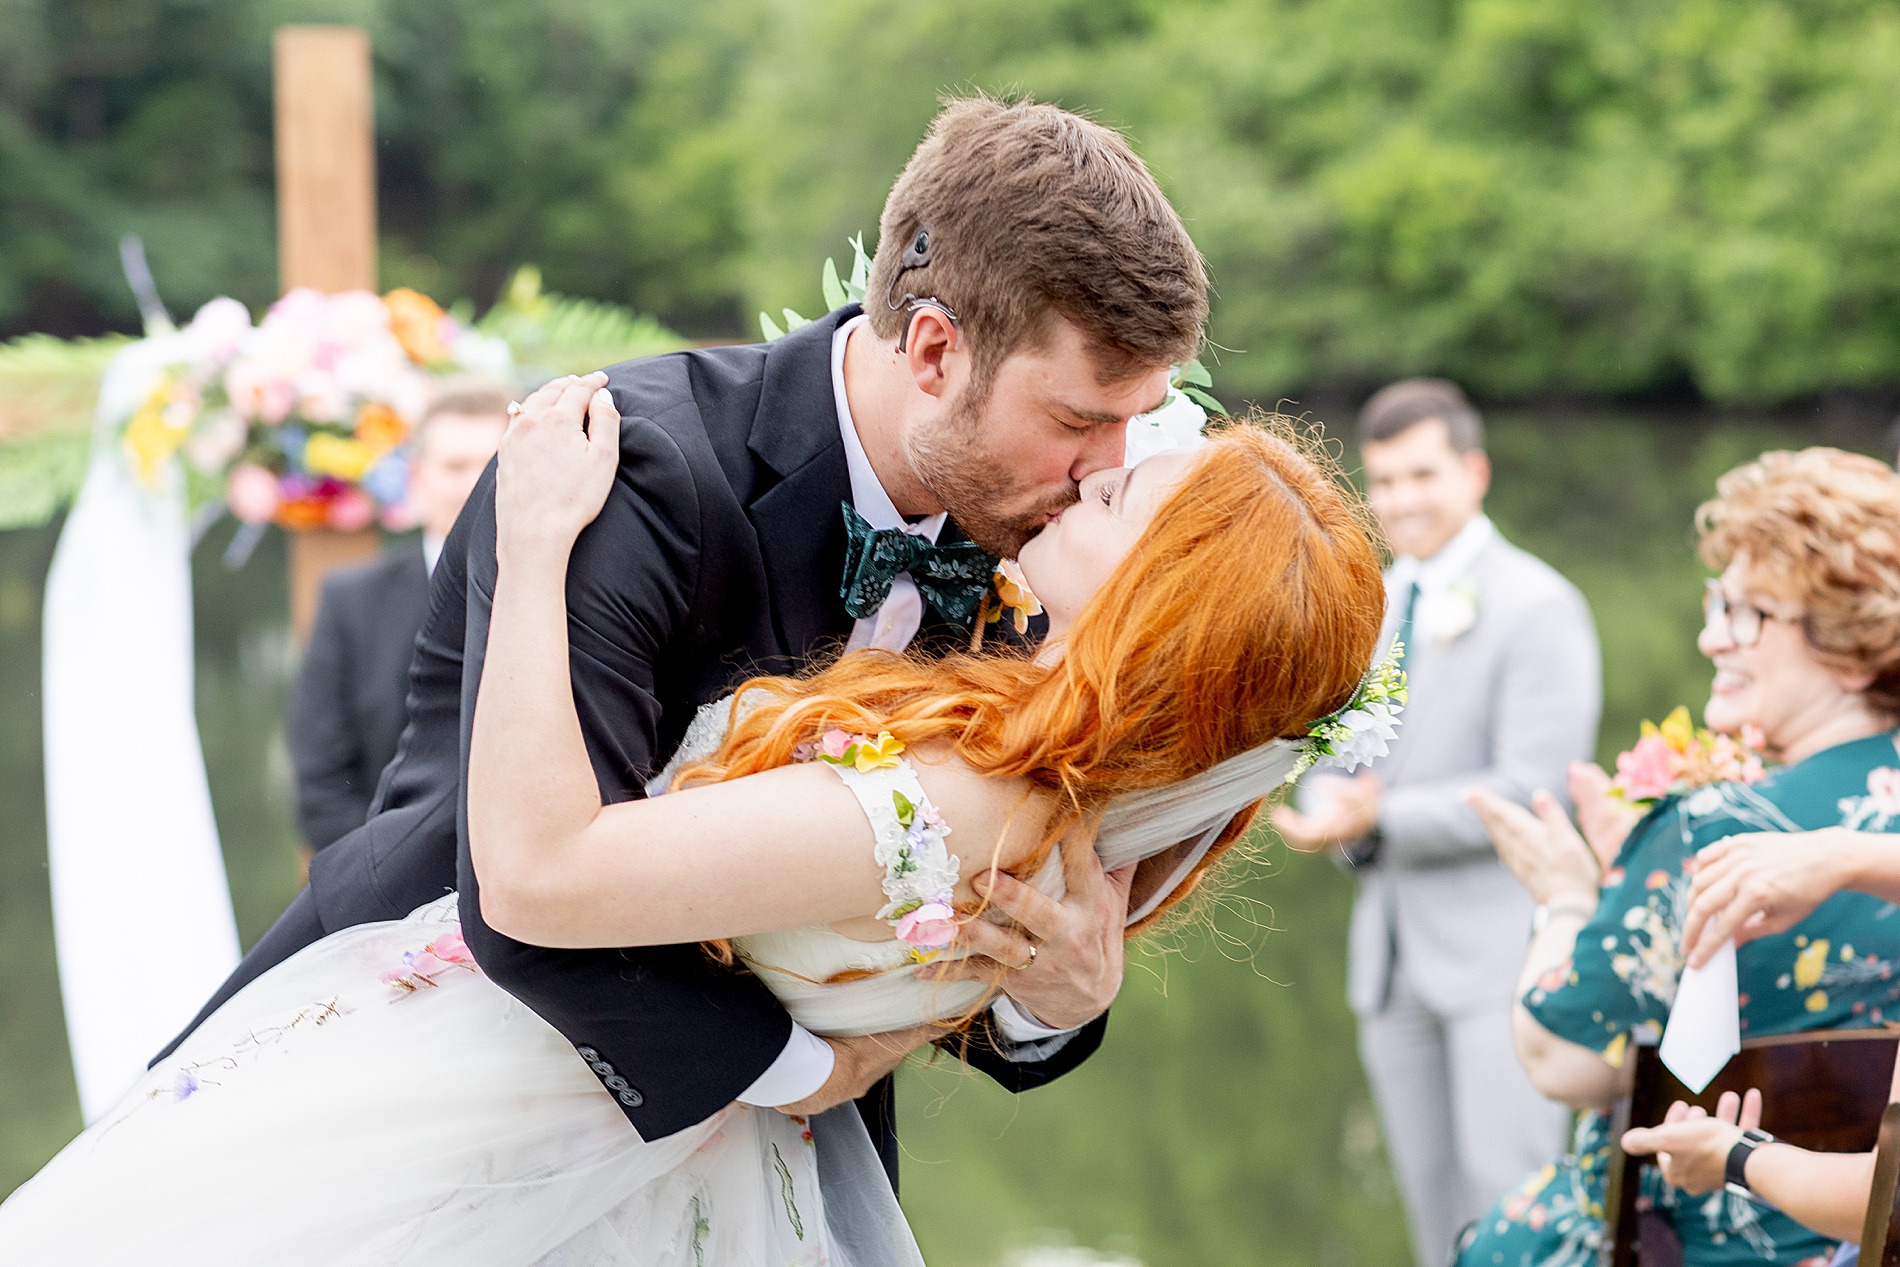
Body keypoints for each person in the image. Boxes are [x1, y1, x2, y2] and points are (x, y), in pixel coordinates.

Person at [0, 390, 1389, 1262]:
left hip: (517, 1119)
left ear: (1158, 607)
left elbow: (545, 873)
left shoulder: (952, 795)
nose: (1090, 476)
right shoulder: (1059, 764)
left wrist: (532, 551)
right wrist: (876, 1044)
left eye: (1120, 493)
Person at [154, 96, 1210, 1192]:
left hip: (768, 1160)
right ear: (936, 351)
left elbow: (907, 934)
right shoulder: (626, 468)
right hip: (433, 1070)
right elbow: (521, 886)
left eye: (1137, 420)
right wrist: (809, 1067)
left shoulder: (1035, 548)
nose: (1105, 464)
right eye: (1083, 419)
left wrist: (1052, 1003)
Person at [1455, 446, 1900, 1266]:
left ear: (1848, 641)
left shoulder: (1715, 826)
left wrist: (1567, 897)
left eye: (1747, 612)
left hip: (1701, 1239)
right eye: (1715, 602)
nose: (1710, 634)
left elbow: (1566, 1060)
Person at [1271, 377, 1600, 1266]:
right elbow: (1325, 757)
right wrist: (1326, 810)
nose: (1399, 501)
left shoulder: (1541, 606)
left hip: (1504, 962)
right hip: (1388, 961)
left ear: (1474, 472)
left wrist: (1377, 817)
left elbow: (1537, 788)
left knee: (1518, 1212)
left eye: (1421, 476)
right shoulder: (1368, 601)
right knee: (1432, 1222)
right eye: (1383, 480)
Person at [288, 379, 513, 852]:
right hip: (389, 889)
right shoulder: (350, 601)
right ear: (417, 476)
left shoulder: (581, 590)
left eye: (494, 465)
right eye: (455, 466)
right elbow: (322, 786)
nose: (476, 484)